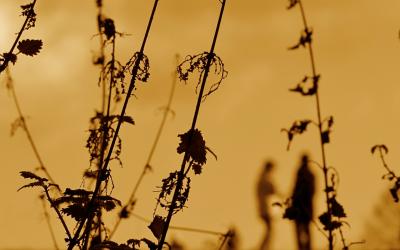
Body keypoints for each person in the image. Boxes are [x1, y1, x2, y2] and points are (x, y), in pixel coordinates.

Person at [291, 154, 315, 250]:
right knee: (306, 230)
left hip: (300, 207)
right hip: (306, 207)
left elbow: (295, 190)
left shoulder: (300, 173)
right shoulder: (310, 174)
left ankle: (302, 248)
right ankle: (307, 248)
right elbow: (313, 191)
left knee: (300, 230)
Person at [256, 160, 276, 250]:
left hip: (264, 207)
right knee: (270, 230)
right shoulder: (264, 178)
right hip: (264, 208)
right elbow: (272, 189)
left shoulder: (262, 177)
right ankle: (263, 247)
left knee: (270, 230)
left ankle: (265, 247)